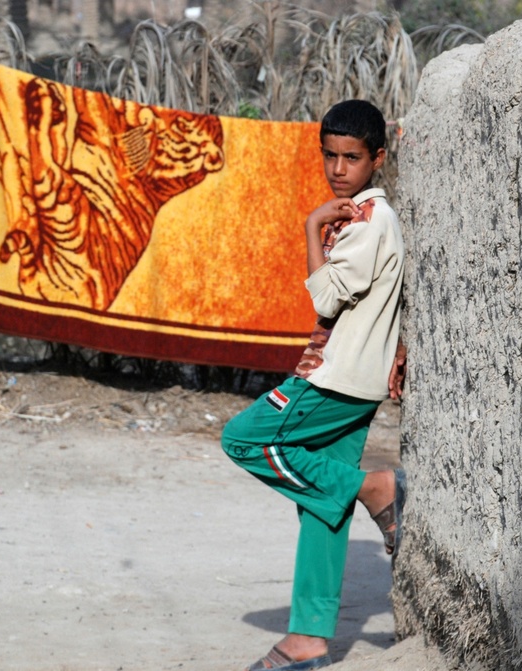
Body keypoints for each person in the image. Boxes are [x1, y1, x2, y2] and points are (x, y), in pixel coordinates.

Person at [221, 99, 407, 671]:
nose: (338, 169)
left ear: (378, 158)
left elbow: (326, 296)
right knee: (321, 508)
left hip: (336, 381)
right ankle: (309, 637)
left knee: (244, 439)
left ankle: (375, 488)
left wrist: (311, 226)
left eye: (351, 158)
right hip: (354, 377)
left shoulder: (369, 221)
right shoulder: (361, 219)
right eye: (330, 156)